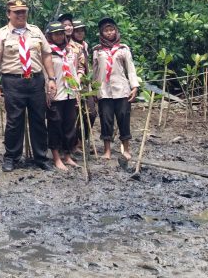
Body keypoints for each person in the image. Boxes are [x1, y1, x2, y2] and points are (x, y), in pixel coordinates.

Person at [0, 0, 57, 172]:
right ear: (8, 14)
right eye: (16, 12)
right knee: (14, 121)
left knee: (39, 120)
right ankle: (11, 157)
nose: (21, 15)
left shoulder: (35, 31)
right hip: (13, 82)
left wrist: (51, 78)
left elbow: (47, 54)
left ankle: (41, 157)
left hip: (35, 80)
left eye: (23, 12)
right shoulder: (1, 34)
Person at [93, 17, 140, 162]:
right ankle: (107, 151)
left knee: (123, 119)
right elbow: (95, 71)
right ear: (101, 33)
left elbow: (130, 69)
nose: (109, 33)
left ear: (116, 31)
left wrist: (135, 87)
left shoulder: (123, 49)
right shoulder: (97, 50)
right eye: (106, 31)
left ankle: (126, 149)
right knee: (106, 120)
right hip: (104, 91)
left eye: (111, 29)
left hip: (122, 90)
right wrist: (94, 90)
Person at [45, 21, 86, 171]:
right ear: (50, 35)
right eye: (56, 34)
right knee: (55, 125)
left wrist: (77, 91)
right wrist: (46, 93)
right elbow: (45, 75)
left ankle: (67, 155)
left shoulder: (69, 51)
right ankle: (56, 157)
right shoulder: (47, 51)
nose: (59, 36)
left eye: (61, 33)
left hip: (69, 94)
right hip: (55, 95)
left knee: (70, 125)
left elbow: (73, 72)